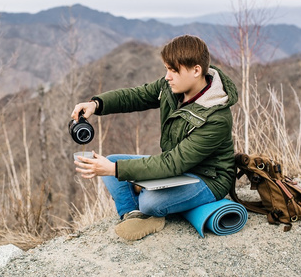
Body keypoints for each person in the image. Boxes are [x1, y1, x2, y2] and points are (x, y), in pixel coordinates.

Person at [71, 35, 238, 241]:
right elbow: (136, 96)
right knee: (112, 160)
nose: (167, 76)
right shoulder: (171, 87)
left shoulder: (216, 117)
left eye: (173, 70)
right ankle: (133, 215)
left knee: (149, 200)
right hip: (178, 169)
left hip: (207, 179)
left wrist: (115, 171)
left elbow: (172, 164)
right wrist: (95, 105)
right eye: (167, 69)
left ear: (196, 70)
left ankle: (147, 209)